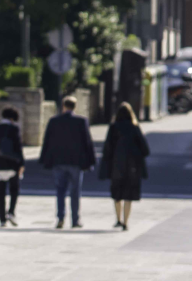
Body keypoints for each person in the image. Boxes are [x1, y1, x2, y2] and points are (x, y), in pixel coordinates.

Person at [38, 95, 96, 228]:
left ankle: (60, 218)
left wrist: (44, 159)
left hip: (58, 161)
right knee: (75, 192)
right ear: (75, 107)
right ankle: (75, 220)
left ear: (63, 106)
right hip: (76, 162)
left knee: (60, 191)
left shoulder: (54, 121)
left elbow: (47, 140)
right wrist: (91, 160)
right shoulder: (81, 121)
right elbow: (87, 142)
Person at [99, 102, 149, 232]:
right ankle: (126, 222)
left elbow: (107, 149)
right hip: (132, 168)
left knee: (117, 194)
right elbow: (145, 149)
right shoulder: (134, 127)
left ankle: (118, 219)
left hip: (116, 167)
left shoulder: (113, 128)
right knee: (128, 196)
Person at [0, 107, 25, 227]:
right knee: (14, 190)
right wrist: (21, 164)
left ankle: (2, 220)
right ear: (13, 118)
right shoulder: (14, 129)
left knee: (0, 194)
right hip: (11, 165)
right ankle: (11, 212)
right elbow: (18, 148)